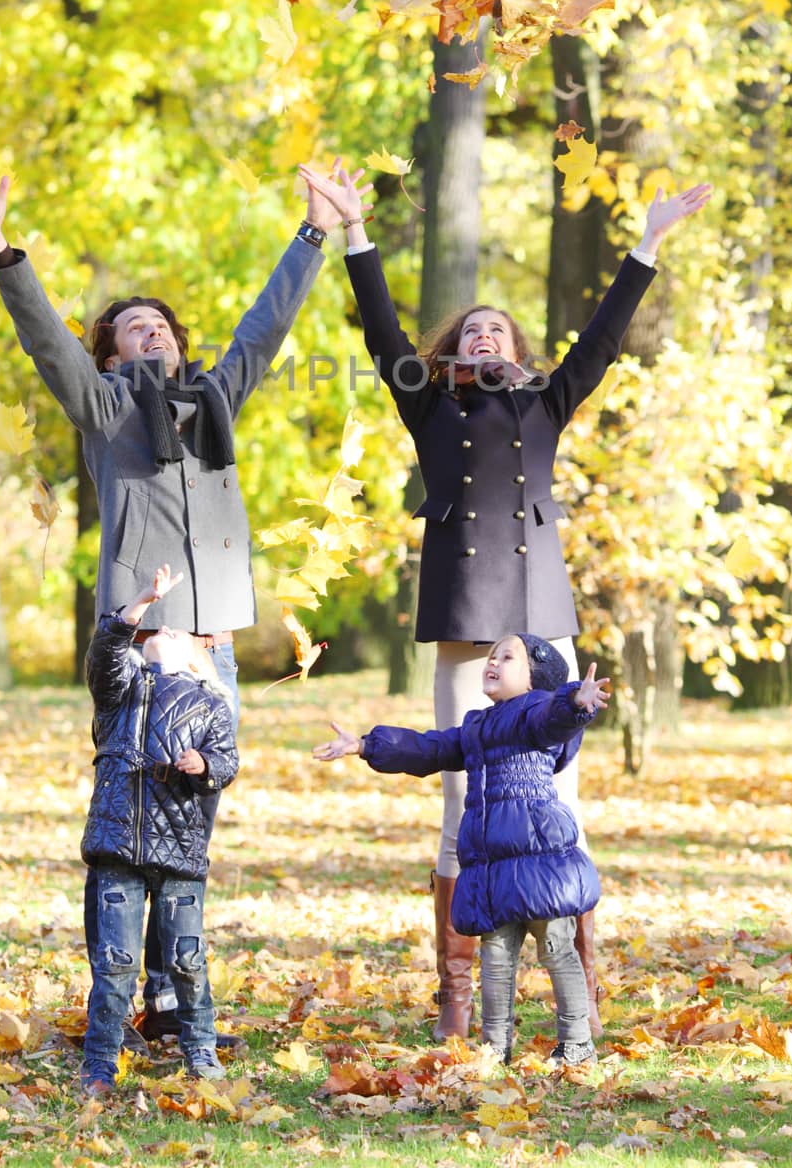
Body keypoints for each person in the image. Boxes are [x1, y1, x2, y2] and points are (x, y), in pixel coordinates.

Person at [298, 161, 711, 1038]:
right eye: (472, 331)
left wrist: (645, 243)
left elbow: (599, 341)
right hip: (462, 620)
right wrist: (355, 233)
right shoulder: (428, 402)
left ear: (518, 351)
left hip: (540, 616)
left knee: (561, 801)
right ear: (452, 350)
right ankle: (458, 995)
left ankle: (578, 983)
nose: (486, 337)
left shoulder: (546, 401)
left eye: (500, 331)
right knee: (460, 795)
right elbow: (379, 335)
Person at [0, 163, 353, 1048]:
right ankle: (116, 996)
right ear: (112, 358)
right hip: (140, 647)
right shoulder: (104, 412)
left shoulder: (216, 402)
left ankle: (173, 1003)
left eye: (162, 328)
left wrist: (315, 230)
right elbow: (44, 343)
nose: (153, 336)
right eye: (134, 330)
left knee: (192, 810)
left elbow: (267, 324)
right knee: (128, 818)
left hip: (208, 651)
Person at [313, 633, 611, 1066]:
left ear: (534, 680)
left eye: (508, 657)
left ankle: (577, 1041)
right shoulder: (476, 726)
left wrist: (575, 703)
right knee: (495, 956)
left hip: (537, 858)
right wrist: (365, 744)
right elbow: (429, 748)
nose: (493, 661)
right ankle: (494, 1048)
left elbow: (554, 719)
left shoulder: (533, 713)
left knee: (557, 949)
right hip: (490, 862)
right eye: (492, 655)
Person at [81, 562, 239, 1096]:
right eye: (156, 630)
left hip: (180, 854)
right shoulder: (122, 691)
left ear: (198, 662)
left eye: (177, 633)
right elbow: (106, 653)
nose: (163, 632)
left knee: (188, 961)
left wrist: (206, 766)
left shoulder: (209, 703)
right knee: (116, 962)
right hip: (119, 847)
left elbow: (228, 760)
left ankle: (200, 1050)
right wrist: (141, 604)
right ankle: (99, 1062)